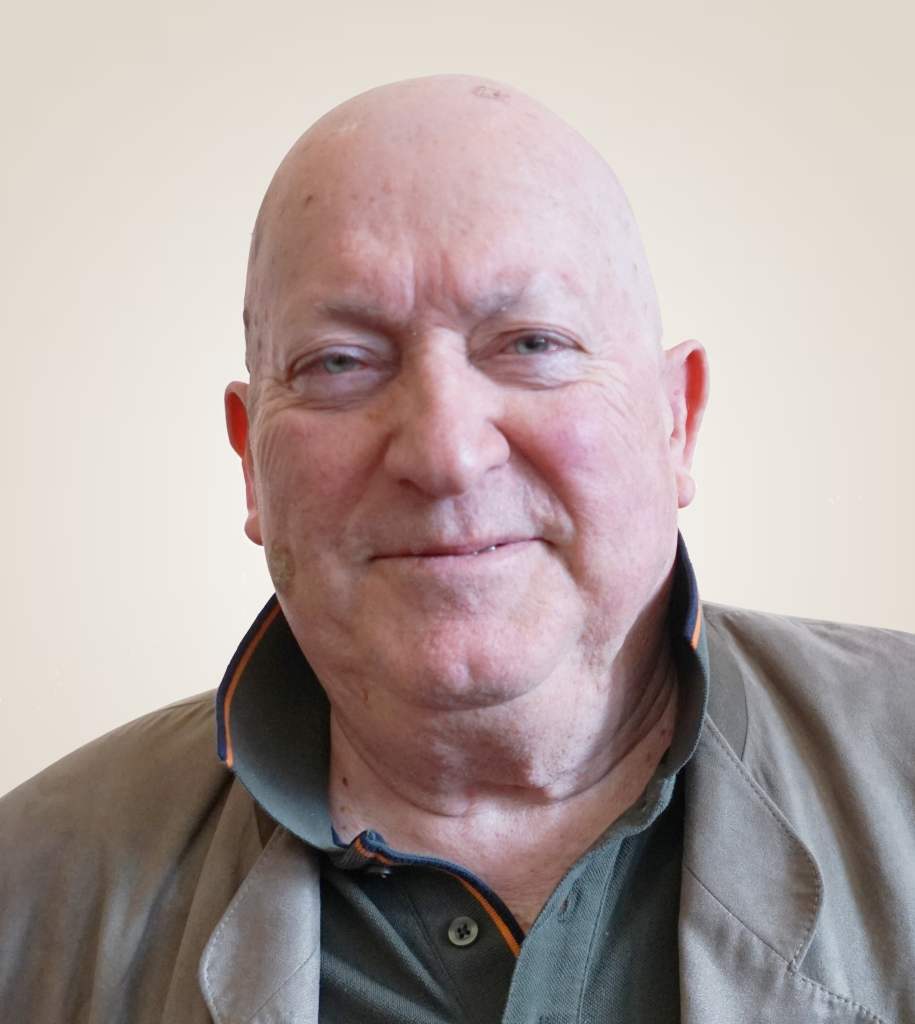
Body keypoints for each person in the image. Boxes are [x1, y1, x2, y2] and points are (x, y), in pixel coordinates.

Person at [1, 75, 913, 1024]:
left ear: (674, 420)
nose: (443, 453)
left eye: (531, 345)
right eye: (340, 362)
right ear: (250, 464)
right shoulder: (27, 901)